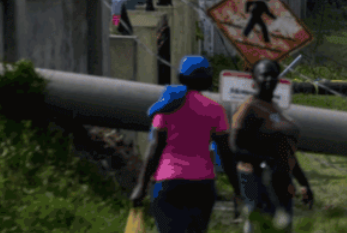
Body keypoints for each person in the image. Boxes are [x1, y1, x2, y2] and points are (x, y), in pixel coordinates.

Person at [132, 56, 241, 233]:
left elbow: (155, 148)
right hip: (201, 185)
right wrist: (238, 188)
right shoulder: (215, 110)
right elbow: (226, 153)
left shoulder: (167, 105)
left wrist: (141, 187)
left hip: (168, 182)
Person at [231, 59, 314, 233]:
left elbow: (286, 151)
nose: (269, 79)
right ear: (255, 79)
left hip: (282, 183)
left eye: (273, 75)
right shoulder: (249, 108)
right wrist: (265, 161)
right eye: (264, 75)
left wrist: (303, 183)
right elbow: (235, 148)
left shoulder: (274, 108)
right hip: (258, 182)